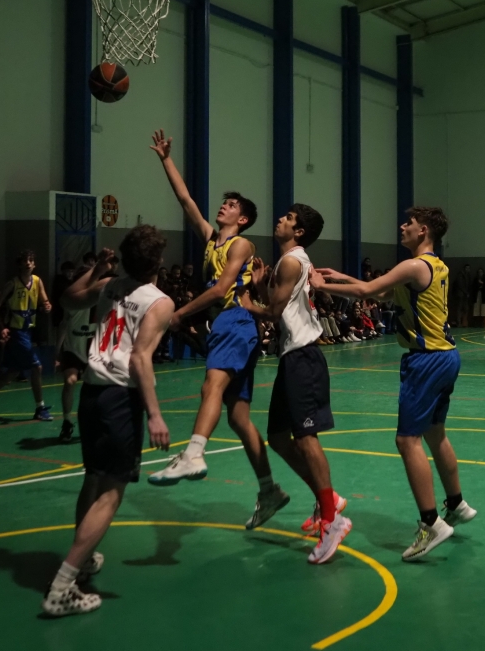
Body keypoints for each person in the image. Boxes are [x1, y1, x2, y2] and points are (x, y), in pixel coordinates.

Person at [311, 207, 476, 561]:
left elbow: (368, 289)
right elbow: (386, 295)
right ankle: (456, 503)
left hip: (426, 360)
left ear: (423, 230)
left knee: (406, 440)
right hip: (447, 356)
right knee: (435, 433)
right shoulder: (436, 266)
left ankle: (431, 524)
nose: (402, 227)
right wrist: (341, 276)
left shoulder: (414, 265)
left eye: (409, 223)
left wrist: (321, 285)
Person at [42, 228, 173, 617]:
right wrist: (155, 414)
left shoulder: (109, 286)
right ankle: (62, 587)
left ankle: (81, 562)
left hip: (92, 393)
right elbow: (140, 359)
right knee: (112, 492)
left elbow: (68, 298)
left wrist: (96, 267)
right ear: (157, 262)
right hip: (120, 398)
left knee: (93, 479)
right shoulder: (159, 302)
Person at [145, 129, 276, 499]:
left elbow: (221, 290)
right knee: (238, 417)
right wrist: (166, 159)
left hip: (235, 321)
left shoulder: (241, 244)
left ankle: (193, 454)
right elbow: (185, 200)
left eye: (232, 205)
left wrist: (179, 314)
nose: (224, 206)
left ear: (243, 218)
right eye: (224, 203)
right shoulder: (210, 239)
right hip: (228, 324)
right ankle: (269, 489)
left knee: (210, 386)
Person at [241, 204, 353, 561]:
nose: (281, 219)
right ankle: (328, 499)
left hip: (304, 357)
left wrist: (246, 302)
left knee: (306, 438)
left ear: (299, 231)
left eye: (288, 218)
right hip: (291, 357)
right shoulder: (288, 262)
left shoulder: (291, 262)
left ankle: (332, 520)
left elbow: (273, 313)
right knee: (277, 437)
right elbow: (280, 307)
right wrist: (261, 287)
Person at [0, 250, 53, 421]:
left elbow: (45, 302)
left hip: (28, 331)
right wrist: (1, 328)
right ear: (19, 265)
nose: (28, 263)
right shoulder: (12, 284)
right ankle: (40, 408)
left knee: (13, 372)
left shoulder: (37, 281)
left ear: (34, 264)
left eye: (31, 260)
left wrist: (47, 306)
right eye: (24, 260)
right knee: (36, 367)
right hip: (17, 332)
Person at [56, 263, 94, 443]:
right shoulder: (73, 301)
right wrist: (57, 352)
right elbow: (64, 324)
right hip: (73, 349)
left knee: (93, 390)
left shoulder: (103, 299)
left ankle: (93, 422)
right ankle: (67, 421)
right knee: (70, 381)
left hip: (94, 352)